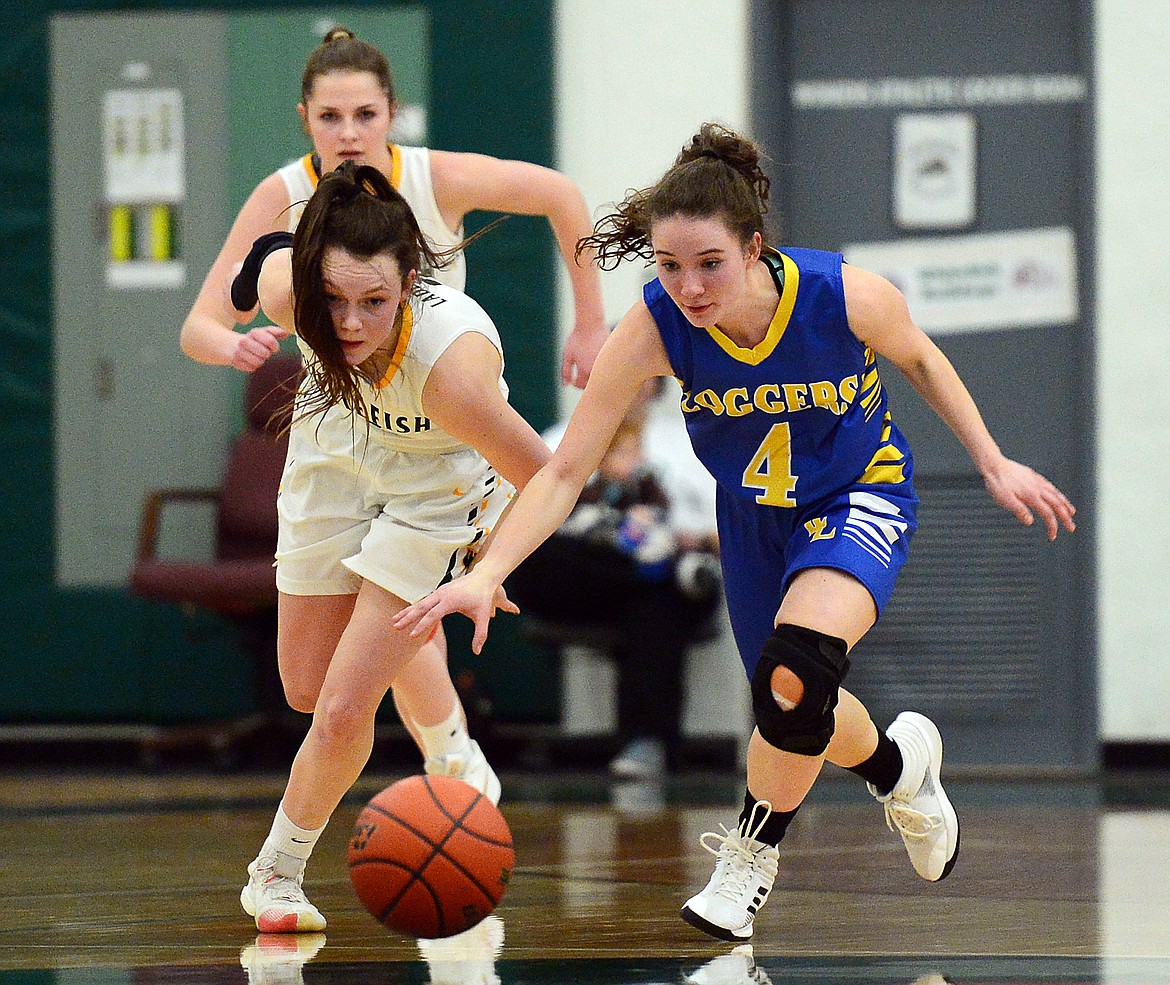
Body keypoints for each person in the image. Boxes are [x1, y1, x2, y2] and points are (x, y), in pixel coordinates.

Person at [394, 123, 1077, 942]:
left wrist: (992, 460)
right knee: (794, 702)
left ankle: (749, 859)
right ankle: (901, 770)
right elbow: (566, 470)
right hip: (751, 516)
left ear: (754, 248)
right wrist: (488, 566)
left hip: (860, 492)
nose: (689, 286)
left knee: (798, 668)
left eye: (709, 263)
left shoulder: (843, 296)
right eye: (669, 266)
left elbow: (923, 359)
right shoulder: (652, 329)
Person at [179, 27, 607, 809]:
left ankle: (448, 750)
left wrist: (588, 321)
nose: (348, 134)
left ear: (391, 114)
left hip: (433, 433)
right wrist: (231, 349)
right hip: (336, 432)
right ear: (304, 116)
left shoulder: (432, 178)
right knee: (309, 686)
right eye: (330, 116)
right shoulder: (282, 195)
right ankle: (448, 740)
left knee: (389, 603)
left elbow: (561, 195)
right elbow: (204, 323)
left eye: (364, 115)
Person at [233, 160, 550, 933]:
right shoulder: (295, 294)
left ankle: (274, 872)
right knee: (308, 686)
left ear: (410, 281)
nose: (349, 322)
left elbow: (549, 474)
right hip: (335, 450)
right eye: (333, 299)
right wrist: (237, 292)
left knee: (344, 705)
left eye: (374, 301)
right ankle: (446, 732)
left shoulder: (452, 371)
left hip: (436, 490)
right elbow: (260, 266)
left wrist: (489, 568)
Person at [508, 378, 722, 778]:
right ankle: (649, 566)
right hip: (588, 574)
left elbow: (730, 531)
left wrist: (683, 538)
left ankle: (649, 741)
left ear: (658, 383)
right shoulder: (561, 438)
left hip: (683, 576)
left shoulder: (696, 443)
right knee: (548, 550)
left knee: (659, 594)